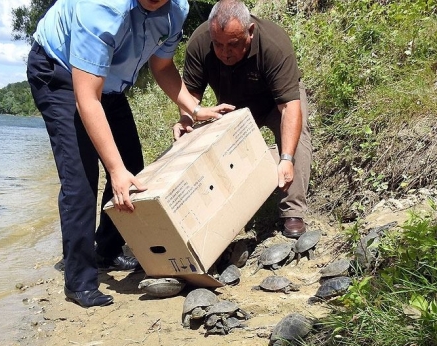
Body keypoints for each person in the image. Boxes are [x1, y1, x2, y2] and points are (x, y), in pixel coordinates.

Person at [27, 0, 234, 308]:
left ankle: (105, 251)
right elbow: (86, 99)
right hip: (59, 73)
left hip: (107, 86)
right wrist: (114, 168)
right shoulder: (102, 7)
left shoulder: (176, 9)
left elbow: (162, 67)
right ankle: (80, 281)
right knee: (81, 180)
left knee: (132, 169)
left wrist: (195, 108)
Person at [173, 0, 313, 238]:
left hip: (274, 101)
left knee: (295, 136)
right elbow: (191, 95)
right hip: (231, 106)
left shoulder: (273, 45)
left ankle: (292, 211)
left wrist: (286, 158)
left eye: (233, 45)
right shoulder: (199, 42)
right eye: (218, 45)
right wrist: (186, 120)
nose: (225, 52)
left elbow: (289, 107)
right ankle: (225, 216)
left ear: (250, 32)